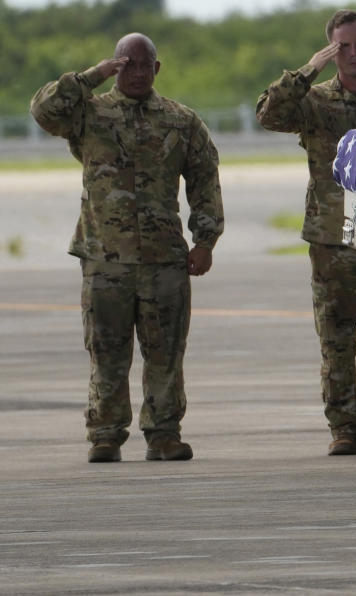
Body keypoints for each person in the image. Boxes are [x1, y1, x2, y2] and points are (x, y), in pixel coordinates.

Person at [30, 33, 224, 463]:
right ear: (116, 66)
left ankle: (164, 434)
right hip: (105, 259)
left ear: (157, 69)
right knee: (107, 352)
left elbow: (205, 179)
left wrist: (206, 239)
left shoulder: (181, 120)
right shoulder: (90, 114)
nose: (136, 72)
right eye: (127, 63)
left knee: (166, 354)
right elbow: (44, 111)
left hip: (164, 260)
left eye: (144, 64)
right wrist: (91, 76)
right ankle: (105, 434)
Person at [256, 9, 356, 456]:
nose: (353, 53)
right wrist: (308, 70)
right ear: (331, 51)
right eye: (342, 46)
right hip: (332, 239)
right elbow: (269, 114)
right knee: (336, 338)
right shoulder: (315, 102)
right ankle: (344, 428)